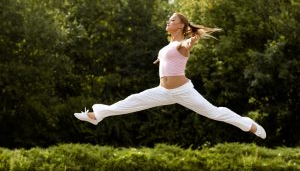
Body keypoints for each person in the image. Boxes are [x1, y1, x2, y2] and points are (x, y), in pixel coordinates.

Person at [74, 12, 266, 139]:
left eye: (172, 20)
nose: (168, 22)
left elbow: (184, 47)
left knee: (214, 113)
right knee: (131, 101)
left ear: (181, 25)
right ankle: (96, 116)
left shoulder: (182, 43)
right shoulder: (166, 47)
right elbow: (169, 58)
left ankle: (248, 125)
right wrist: (161, 60)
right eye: (169, 20)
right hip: (163, 91)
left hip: (183, 91)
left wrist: (191, 41)